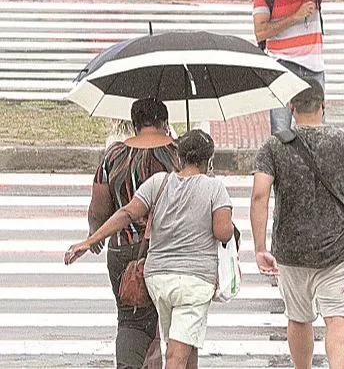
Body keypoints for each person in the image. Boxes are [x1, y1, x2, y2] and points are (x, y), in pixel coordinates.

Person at [250, 79, 344, 369]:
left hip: (291, 251)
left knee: (298, 318)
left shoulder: (274, 146)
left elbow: (259, 195)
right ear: (323, 106)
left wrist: (260, 247)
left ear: (292, 108)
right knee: (338, 320)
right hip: (338, 251)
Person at [66, 129, 233, 369]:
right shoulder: (215, 188)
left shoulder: (159, 182)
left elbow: (126, 213)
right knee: (177, 355)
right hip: (193, 282)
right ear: (209, 160)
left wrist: (90, 240)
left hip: (159, 280)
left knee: (185, 345)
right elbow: (223, 232)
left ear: (179, 157)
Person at [82, 98, 179, 368]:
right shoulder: (178, 155)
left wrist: (95, 233)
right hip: (168, 250)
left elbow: (98, 208)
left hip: (123, 249)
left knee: (131, 320)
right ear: (164, 122)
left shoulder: (113, 156)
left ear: (135, 124)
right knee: (172, 322)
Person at [252, 0, 344, 134]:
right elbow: (260, 32)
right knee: (281, 130)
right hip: (282, 65)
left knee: (316, 129)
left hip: (314, 68)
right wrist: (295, 16)